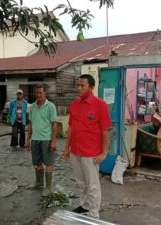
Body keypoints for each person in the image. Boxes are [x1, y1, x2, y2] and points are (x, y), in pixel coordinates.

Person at [63, 74, 112, 218]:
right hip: (75, 151)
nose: (79, 88)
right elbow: (71, 127)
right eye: (78, 85)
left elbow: (106, 130)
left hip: (90, 153)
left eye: (82, 85)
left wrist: (104, 152)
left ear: (91, 87)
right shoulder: (75, 104)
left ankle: (93, 213)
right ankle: (84, 206)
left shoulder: (100, 105)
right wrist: (67, 148)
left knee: (93, 185)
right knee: (81, 183)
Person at [26, 84, 57, 197]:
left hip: (46, 139)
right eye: (37, 93)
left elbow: (54, 125)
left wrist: (53, 141)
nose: (38, 95)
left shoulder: (50, 106)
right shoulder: (32, 107)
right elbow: (30, 124)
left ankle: (48, 187)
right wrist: (28, 139)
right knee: (37, 163)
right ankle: (39, 183)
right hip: (35, 139)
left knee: (48, 163)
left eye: (41, 93)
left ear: (45, 93)